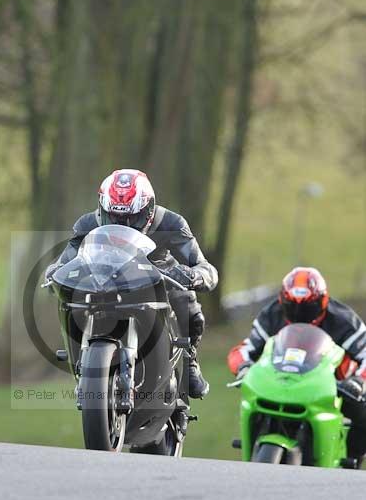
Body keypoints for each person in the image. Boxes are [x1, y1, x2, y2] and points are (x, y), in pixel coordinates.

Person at [45, 169, 218, 401]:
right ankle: (79, 361)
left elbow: (205, 267)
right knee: (71, 299)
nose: (122, 224)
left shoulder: (171, 223)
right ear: (102, 209)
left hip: (157, 285)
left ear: (148, 209)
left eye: (132, 219)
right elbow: (64, 261)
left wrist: (193, 275)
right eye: (114, 218)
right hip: (105, 286)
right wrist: (55, 273)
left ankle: (189, 360)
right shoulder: (87, 223)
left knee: (186, 301)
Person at [228, 266, 366, 463]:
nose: (299, 314)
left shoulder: (343, 320)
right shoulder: (271, 314)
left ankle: (351, 460)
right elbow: (244, 349)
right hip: (282, 380)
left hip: (336, 386)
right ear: (283, 300)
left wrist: (358, 381)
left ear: (323, 301)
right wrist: (243, 367)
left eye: (307, 307)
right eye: (292, 306)